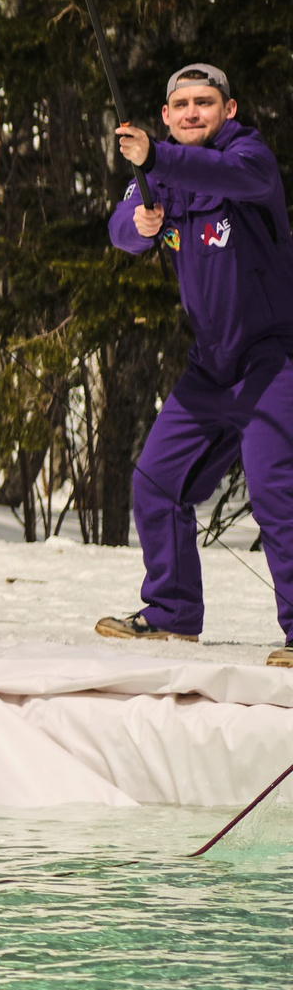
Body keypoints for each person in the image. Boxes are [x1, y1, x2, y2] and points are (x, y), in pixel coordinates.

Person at [97, 63, 293, 664]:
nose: (191, 113)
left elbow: (221, 174)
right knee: (155, 482)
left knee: (274, 490)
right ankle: (172, 614)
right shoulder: (161, 175)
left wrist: (155, 158)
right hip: (210, 368)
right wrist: (138, 223)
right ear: (165, 115)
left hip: (273, 362)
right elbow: (121, 226)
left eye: (203, 103)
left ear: (227, 110)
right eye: (179, 104)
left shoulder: (247, 158)